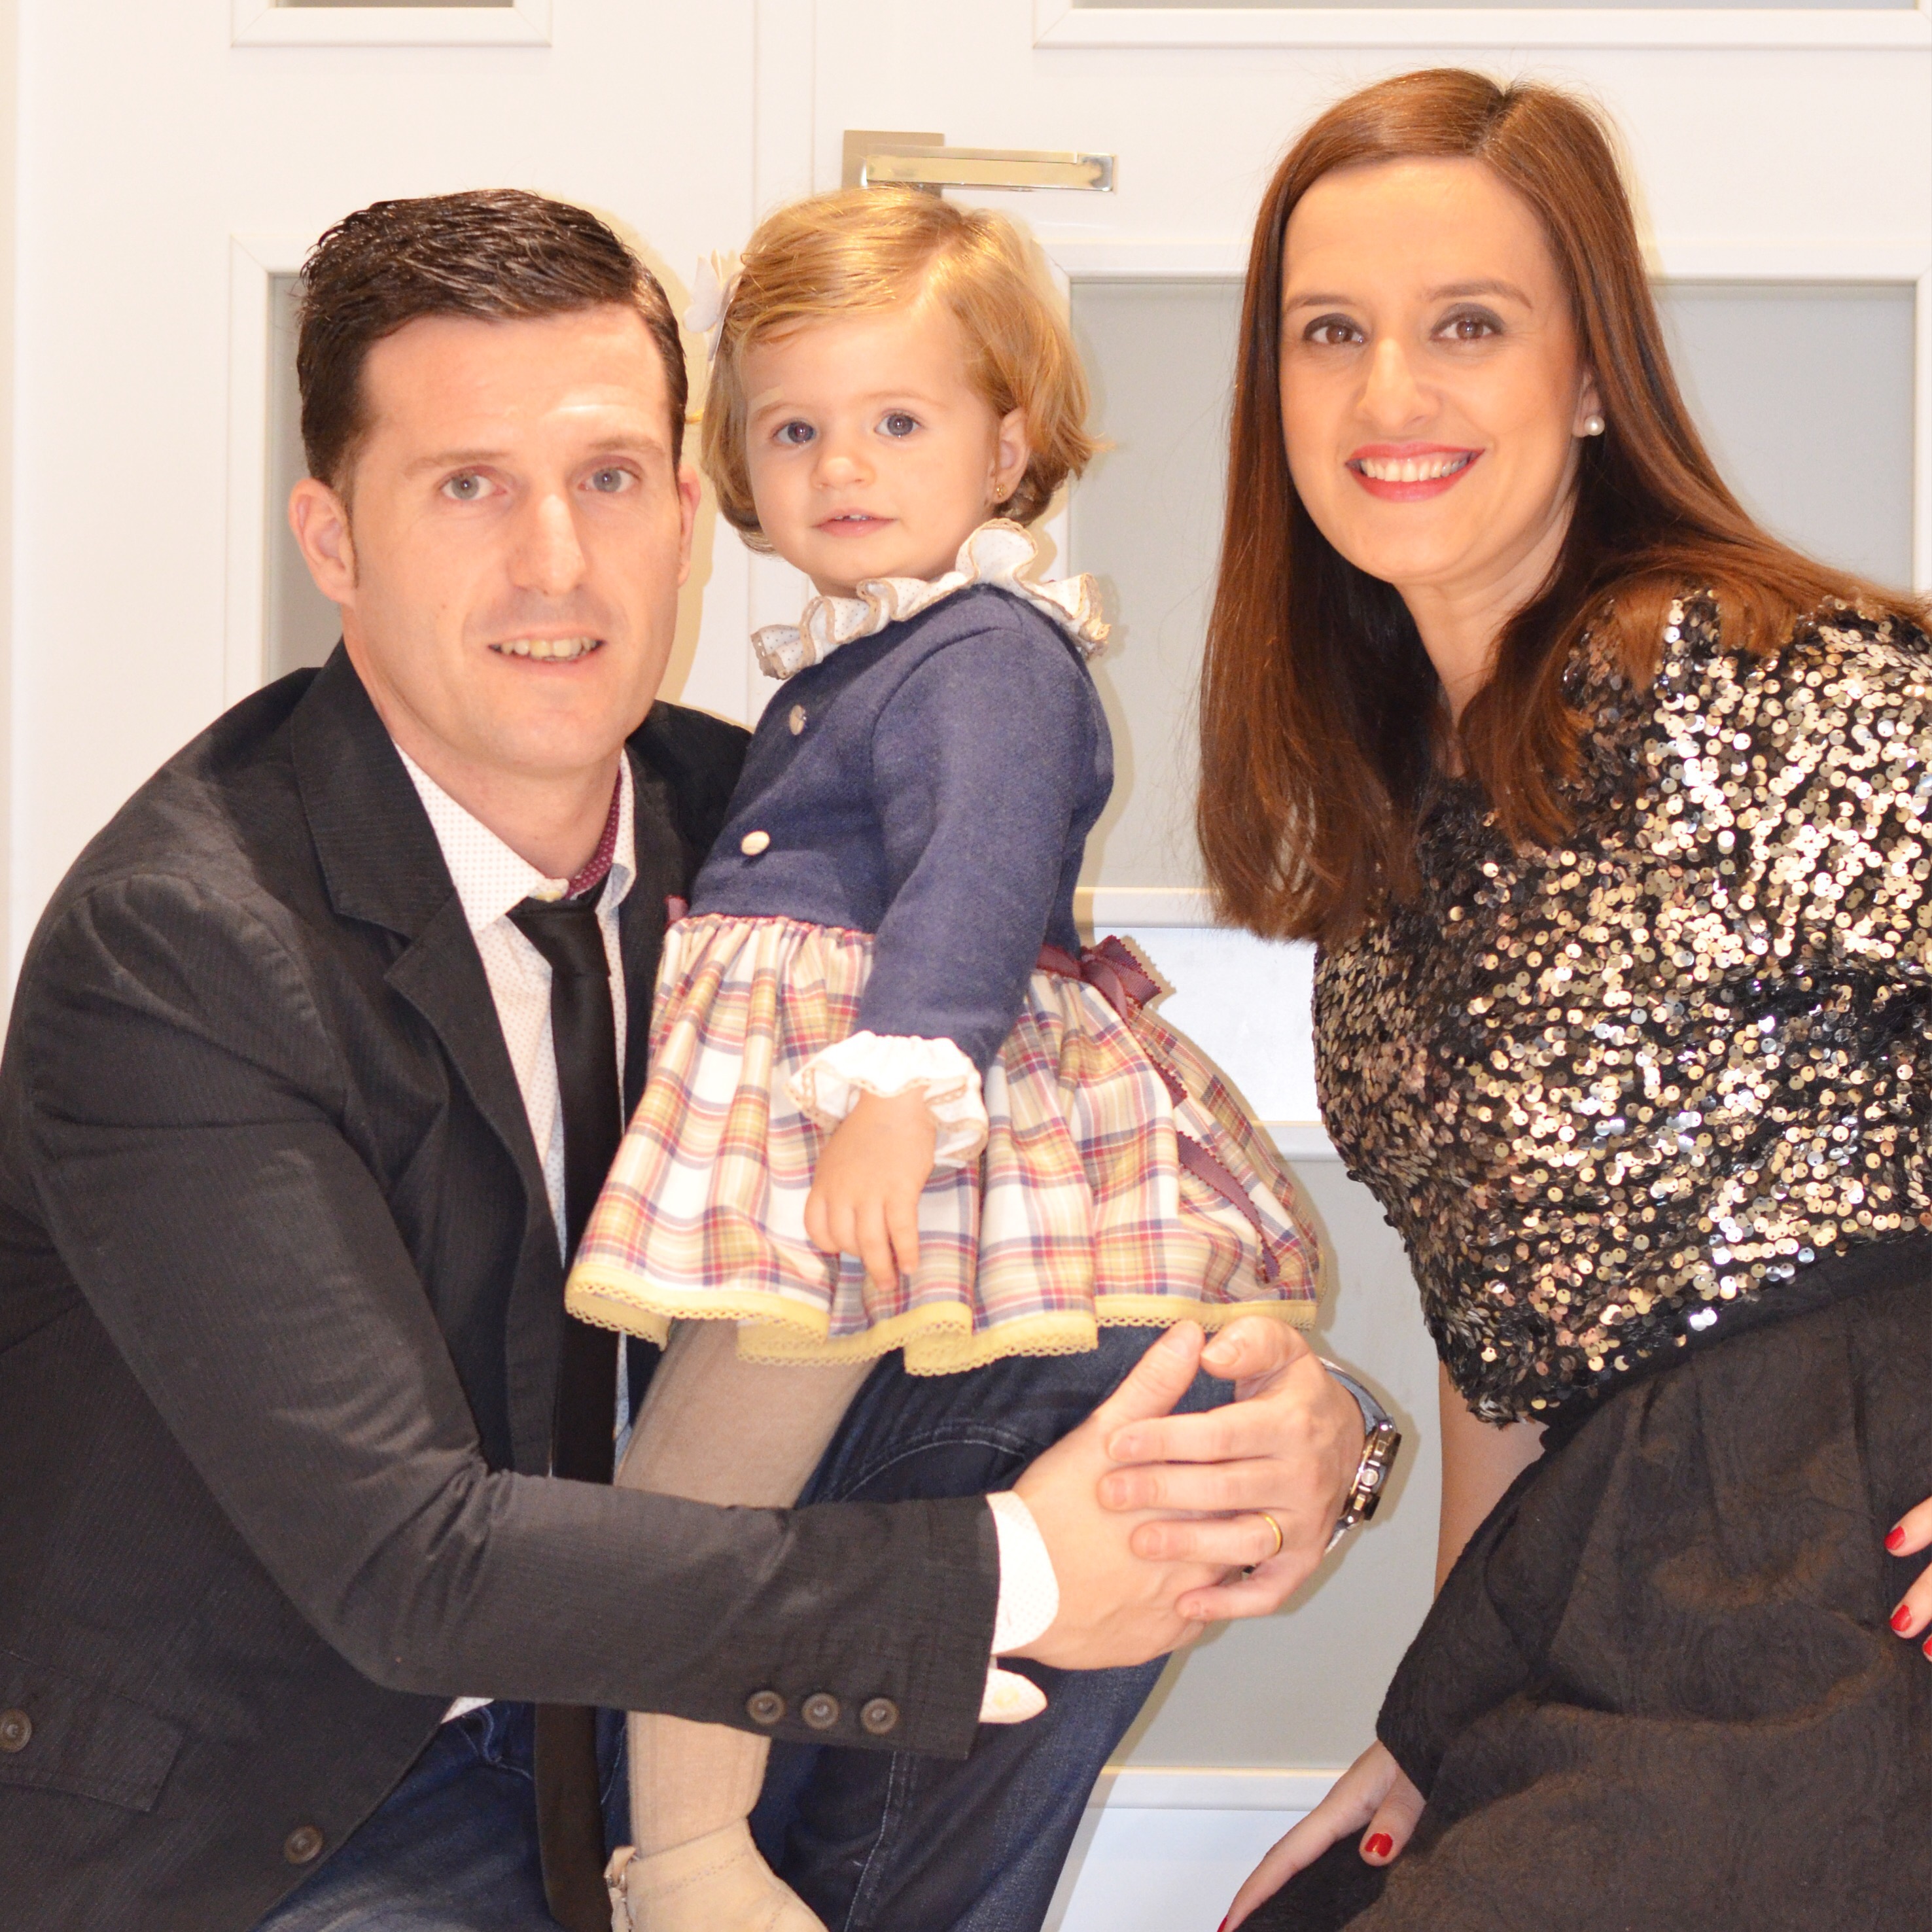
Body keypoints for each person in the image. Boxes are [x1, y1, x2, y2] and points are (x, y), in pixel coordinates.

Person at [0, 188, 1371, 1932]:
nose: (556, 562)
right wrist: (1017, 1573)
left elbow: (1037, 1209)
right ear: (333, 539)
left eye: (608, 476)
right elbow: (408, 1566)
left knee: (1132, 1376)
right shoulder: (182, 946)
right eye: (469, 485)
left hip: (645, 1724)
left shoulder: (759, 833)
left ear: (681, 506)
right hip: (303, 1799)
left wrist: (1300, 1438)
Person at [1192, 69, 1932, 1932]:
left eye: (1467, 325)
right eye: (1330, 333)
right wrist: (1438, 1720)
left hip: (1844, 1558)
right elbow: (1502, 1349)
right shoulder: (1391, 832)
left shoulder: (1742, 679)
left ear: (1590, 374)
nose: (1388, 394)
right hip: (1601, 1574)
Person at [552, 188, 1324, 1932]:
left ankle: (688, 1857)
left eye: (897, 420)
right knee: (707, 1473)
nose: (841, 465)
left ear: (1010, 443)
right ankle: (696, 1836)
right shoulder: (881, 653)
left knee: (703, 1483)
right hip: (832, 1105)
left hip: (875, 1124)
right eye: (794, 429)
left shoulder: (988, 653)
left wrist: (896, 1093)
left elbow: (975, 880)